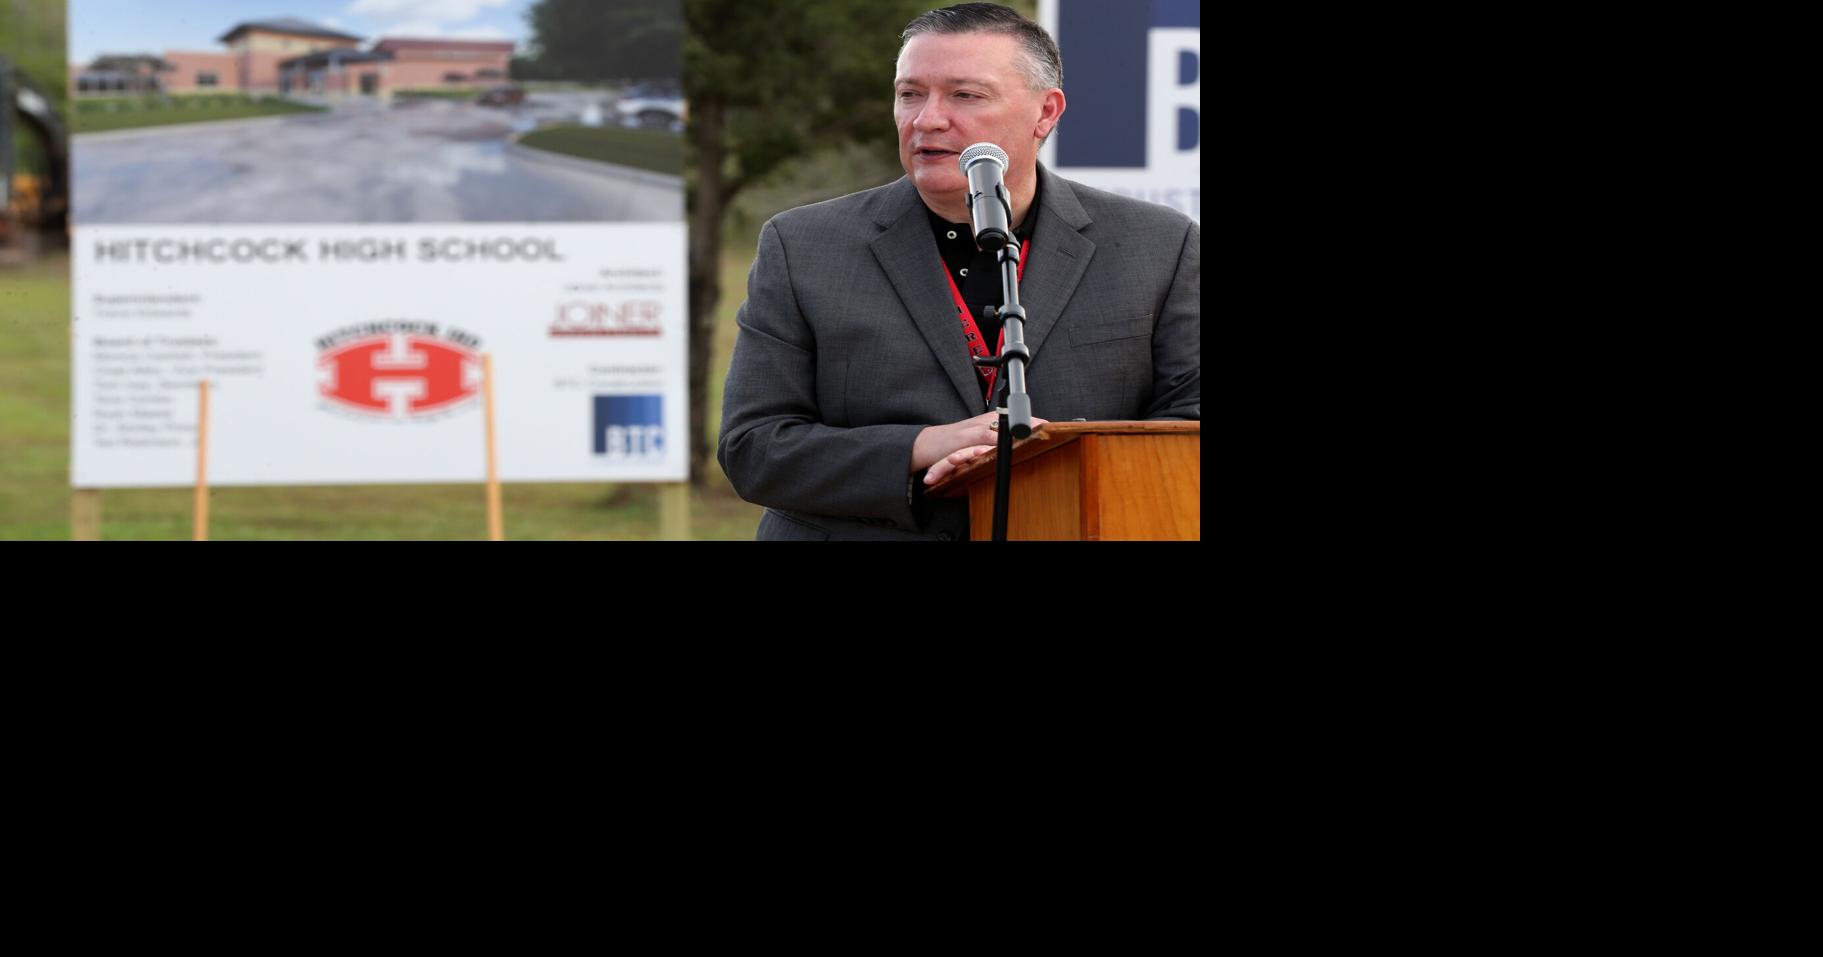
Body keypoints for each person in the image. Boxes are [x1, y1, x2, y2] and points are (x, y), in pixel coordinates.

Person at [717, 2, 1199, 541]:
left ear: (1046, 112)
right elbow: (754, 447)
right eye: (910, 94)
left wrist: (1065, 452)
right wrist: (922, 447)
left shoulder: (1158, 244)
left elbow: (1191, 424)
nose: (927, 119)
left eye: (965, 95)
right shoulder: (802, 245)